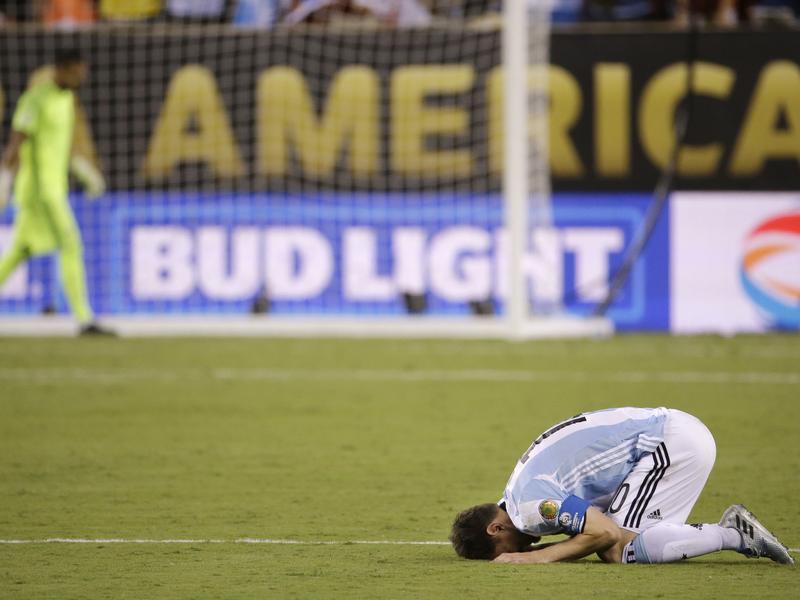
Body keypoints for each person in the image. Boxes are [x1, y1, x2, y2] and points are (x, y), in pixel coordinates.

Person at [450, 407, 795, 565]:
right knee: (615, 538)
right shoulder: (517, 492)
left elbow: (606, 534)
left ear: (496, 528)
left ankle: (733, 534)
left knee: (618, 550)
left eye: (506, 551)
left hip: (670, 445)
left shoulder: (529, 510)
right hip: (673, 432)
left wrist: (539, 558)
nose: (516, 553)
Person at [0, 48, 113, 335]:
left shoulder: (66, 100)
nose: (81, 76)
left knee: (20, 251)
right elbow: (16, 142)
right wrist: (4, 180)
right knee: (71, 244)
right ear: (62, 69)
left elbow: (59, 146)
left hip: (54, 187)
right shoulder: (35, 99)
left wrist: (83, 170)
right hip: (39, 192)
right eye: (77, 70)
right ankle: (84, 318)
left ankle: (84, 317)